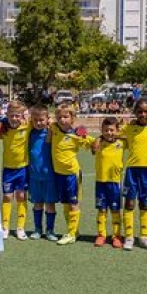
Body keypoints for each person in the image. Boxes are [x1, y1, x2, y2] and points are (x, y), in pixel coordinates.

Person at [115, 99, 147, 251]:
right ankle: (129, 237)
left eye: (146, 111)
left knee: (145, 204)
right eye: (140, 111)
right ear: (135, 112)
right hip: (131, 171)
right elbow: (113, 133)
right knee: (129, 203)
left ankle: (144, 237)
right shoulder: (129, 128)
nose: (143, 114)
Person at [49, 103, 93, 245]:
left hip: (72, 174)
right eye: (60, 117)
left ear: (72, 118)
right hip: (58, 173)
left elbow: (93, 143)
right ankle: (74, 230)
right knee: (66, 204)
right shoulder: (54, 128)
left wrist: (85, 135)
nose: (62, 120)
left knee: (73, 203)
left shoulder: (76, 135)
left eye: (66, 117)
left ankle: (71, 234)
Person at [0, 100, 30, 240]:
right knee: (7, 196)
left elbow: (46, 120)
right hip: (8, 169)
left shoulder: (27, 126)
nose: (15, 118)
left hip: (23, 168)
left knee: (21, 196)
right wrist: (0, 123)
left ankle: (20, 227)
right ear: (7, 115)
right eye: (12, 116)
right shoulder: (3, 128)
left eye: (18, 115)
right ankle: (5, 227)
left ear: (22, 115)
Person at [26, 105, 58, 241]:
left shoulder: (51, 133)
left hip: (49, 176)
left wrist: (51, 126)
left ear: (47, 119)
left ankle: (50, 230)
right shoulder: (30, 133)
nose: (38, 123)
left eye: (41, 120)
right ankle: (37, 229)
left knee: (50, 204)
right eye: (35, 120)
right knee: (37, 203)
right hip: (34, 175)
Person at [93, 117, 124, 248]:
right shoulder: (98, 143)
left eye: (112, 130)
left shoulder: (122, 143)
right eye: (106, 130)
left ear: (117, 130)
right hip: (101, 182)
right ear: (101, 130)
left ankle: (116, 236)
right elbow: (93, 150)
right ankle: (101, 235)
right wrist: (98, 138)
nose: (109, 133)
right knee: (102, 210)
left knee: (115, 210)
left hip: (115, 183)